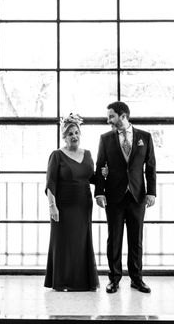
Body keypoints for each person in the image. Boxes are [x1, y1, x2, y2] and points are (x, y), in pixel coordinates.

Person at [94, 101, 156, 294]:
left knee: (136, 239)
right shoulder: (105, 139)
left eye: (111, 116)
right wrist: (99, 192)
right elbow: (99, 166)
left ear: (123, 116)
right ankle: (114, 279)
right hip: (114, 197)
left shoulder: (145, 137)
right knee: (114, 239)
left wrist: (151, 192)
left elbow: (151, 167)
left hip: (137, 196)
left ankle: (137, 279)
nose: (108, 120)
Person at [44, 113, 99, 291]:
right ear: (64, 137)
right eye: (70, 134)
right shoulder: (57, 155)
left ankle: (84, 281)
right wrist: (52, 206)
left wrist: (103, 176)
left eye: (76, 133)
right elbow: (51, 182)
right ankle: (62, 281)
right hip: (63, 206)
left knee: (82, 241)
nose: (74, 136)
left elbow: (92, 177)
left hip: (84, 205)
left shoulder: (88, 154)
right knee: (63, 242)